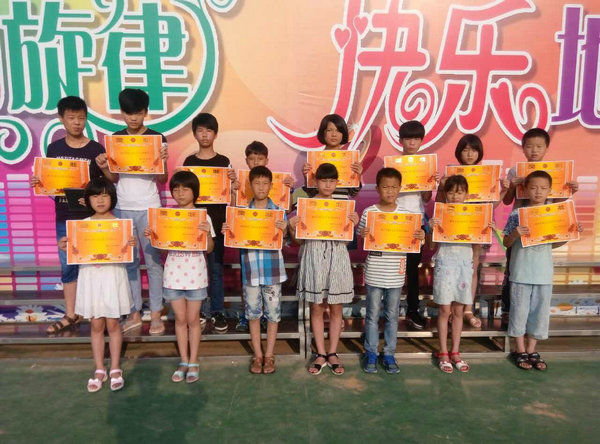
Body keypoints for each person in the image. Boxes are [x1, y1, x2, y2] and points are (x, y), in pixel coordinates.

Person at [30, 96, 115, 335]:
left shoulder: (96, 149)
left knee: (95, 266)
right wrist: (40, 183)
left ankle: (98, 315)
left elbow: (111, 182)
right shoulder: (54, 149)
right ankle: (71, 314)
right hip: (64, 217)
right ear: (61, 119)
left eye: (81, 118)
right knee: (68, 266)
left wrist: (105, 167)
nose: (77, 122)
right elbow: (51, 185)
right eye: (71, 118)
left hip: (92, 219)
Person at [58, 178, 134, 392]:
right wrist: (66, 246)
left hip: (113, 277)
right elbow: (76, 251)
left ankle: (116, 367)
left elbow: (127, 254)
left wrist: (131, 244)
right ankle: (100, 368)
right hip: (91, 277)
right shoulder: (81, 226)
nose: (100, 200)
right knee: (96, 325)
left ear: (112, 198)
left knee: (113, 324)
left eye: (105, 195)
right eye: (95, 196)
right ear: (87, 200)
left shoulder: (121, 225)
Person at [503, 171, 582, 371]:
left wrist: (570, 233)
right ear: (525, 189)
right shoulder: (517, 214)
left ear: (549, 190)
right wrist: (515, 233)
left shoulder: (554, 215)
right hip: (520, 272)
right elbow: (506, 242)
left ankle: (532, 350)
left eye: (543, 188)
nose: (538, 192)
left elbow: (553, 244)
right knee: (519, 312)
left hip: (543, 273)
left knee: (539, 313)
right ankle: (520, 350)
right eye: (533, 187)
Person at [501, 128, 579, 323]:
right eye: (529, 146)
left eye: (539, 146)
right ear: (523, 148)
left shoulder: (555, 172)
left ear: (546, 148)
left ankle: (531, 316)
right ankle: (509, 310)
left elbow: (558, 201)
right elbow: (507, 200)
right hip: (519, 225)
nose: (534, 150)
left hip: (544, 225)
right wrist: (512, 186)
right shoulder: (515, 171)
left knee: (537, 268)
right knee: (512, 269)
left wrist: (571, 191)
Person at [144, 171, 215, 383]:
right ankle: (183, 360)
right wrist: (153, 236)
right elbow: (162, 248)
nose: (180, 193)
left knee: (193, 320)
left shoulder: (203, 217)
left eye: (185, 189)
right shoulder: (167, 217)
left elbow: (209, 249)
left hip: (196, 274)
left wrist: (206, 233)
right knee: (180, 319)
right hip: (173, 274)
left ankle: (193, 361)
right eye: (176, 189)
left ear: (195, 191)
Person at [290, 163, 359, 375]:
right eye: (323, 180)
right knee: (317, 308)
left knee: (336, 309)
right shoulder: (307, 205)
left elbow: (346, 242)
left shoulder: (343, 207)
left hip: (337, 258)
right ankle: (320, 353)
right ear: (316, 182)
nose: (327, 185)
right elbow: (299, 241)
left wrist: (353, 225)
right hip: (313, 258)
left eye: (331, 181)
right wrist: (293, 228)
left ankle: (332, 352)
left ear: (337, 183)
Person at [436, 134, 510, 328]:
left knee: (472, 267)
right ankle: (453, 309)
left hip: (476, 227)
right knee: (454, 270)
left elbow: (491, 204)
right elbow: (440, 204)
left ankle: (467, 309)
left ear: (480, 153)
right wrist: (441, 187)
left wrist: (503, 190)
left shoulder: (486, 175)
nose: (470, 154)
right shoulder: (451, 175)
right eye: (465, 150)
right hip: (453, 228)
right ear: (459, 152)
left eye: (474, 150)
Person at [357, 168, 425, 374]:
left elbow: (416, 242)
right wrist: (363, 233)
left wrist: (420, 236)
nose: (390, 191)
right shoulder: (369, 213)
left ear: (400, 189)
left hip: (395, 273)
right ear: (378, 188)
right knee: (372, 315)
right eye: (385, 187)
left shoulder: (408, 216)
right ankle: (371, 352)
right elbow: (362, 237)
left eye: (394, 187)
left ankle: (388, 353)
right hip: (374, 272)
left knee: (392, 316)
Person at [113, 88, 168, 335]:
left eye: (138, 113)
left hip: (150, 207)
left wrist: (162, 160)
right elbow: (113, 178)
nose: (133, 118)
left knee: (154, 262)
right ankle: (134, 312)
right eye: (128, 113)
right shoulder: (116, 139)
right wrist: (105, 164)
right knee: (129, 263)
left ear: (146, 112)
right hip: (122, 206)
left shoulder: (156, 138)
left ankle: (156, 312)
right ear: (122, 113)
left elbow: (163, 179)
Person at [223, 166, 288, 374]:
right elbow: (234, 239)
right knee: (252, 315)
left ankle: (269, 355)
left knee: (273, 315)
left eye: (265, 183)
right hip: (250, 272)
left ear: (271, 185)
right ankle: (258, 355)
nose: (261, 187)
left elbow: (286, 241)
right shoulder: (241, 213)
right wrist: (229, 230)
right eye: (257, 183)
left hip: (272, 272)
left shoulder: (278, 212)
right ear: (250, 185)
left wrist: (285, 230)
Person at [428, 175, 490, 373]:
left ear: (466, 195)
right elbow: (431, 246)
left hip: (464, 265)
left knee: (458, 312)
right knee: (444, 311)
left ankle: (455, 352)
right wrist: (431, 228)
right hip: (445, 263)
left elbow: (477, 245)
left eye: (460, 192)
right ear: (445, 194)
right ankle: (443, 352)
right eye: (451, 192)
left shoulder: (474, 216)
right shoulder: (440, 214)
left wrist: (485, 230)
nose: (455, 196)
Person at [232, 141, 294, 333]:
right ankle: (248, 315)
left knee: (270, 302)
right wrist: (233, 191)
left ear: (267, 160)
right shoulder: (241, 185)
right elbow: (235, 216)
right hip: (250, 253)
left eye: (260, 158)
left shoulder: (277, 185)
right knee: (248, 285)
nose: (256, 162)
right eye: (252, 159)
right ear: (246, 161)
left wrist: (289, 190)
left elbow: (286, 212)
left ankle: (266, 318)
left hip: (270, 259)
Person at [183, 113, 231, 333]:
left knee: (216, 270)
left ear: (215, 134)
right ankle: (200, 310)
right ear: (194, 134)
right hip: (194, 224)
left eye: (209, 130)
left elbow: (231, 196)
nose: (204, 135)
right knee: (196, 270)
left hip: (217, 224)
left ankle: (218, 310)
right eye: (200, 130)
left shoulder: (224, 162)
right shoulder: (189, 163)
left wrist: (234, 186)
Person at [395, 120, 438, 330]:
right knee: (393, 270)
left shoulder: (425, 166)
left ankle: (412, 311)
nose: (412, 143)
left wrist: (430, 183)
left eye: (416, 139)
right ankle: (390, 312)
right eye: (408, 139)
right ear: (400, 140)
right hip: (395, 222)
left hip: (417, 223)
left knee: (412, 271)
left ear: (421, 141)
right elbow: (387, 192)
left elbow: (426, 199)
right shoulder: (394, 164)